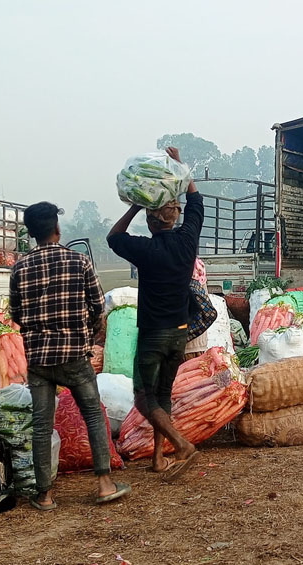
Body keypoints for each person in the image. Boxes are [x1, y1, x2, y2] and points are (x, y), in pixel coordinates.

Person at [11, 204, 130, 509]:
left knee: (41, 425)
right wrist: (87, 337)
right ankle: (104, 485)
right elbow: (96, 306)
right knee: (92, 415)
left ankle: (45, 495)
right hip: (76, 356)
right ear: (57, 230)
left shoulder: (20, 268)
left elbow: (17, 314)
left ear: (31, 233)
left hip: (39, 360)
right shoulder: (79, 261)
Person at [108, 147, 204, 475]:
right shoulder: (188, 241)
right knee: (163, 396)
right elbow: (197, 203)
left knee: (143, 399)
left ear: (150, 219)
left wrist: (137, 202)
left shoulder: (146, 249)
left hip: (153, 335)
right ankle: (158, 457)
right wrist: (180, 165)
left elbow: (113, 236)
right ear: (175, 216)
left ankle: (181, 444)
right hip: (179, 333)